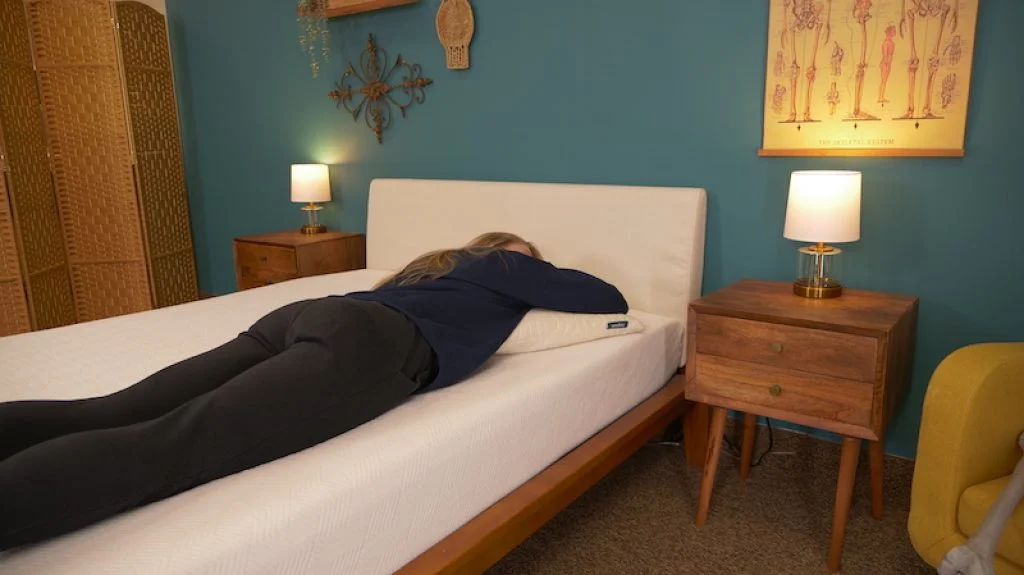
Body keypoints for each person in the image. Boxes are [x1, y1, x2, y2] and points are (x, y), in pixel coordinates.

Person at [0, 232, 627, 552]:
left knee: (116, 409)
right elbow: (607, 300)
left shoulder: (422, 271)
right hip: (371, 344)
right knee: (177, 443)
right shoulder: (504, 265)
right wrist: (532, 266)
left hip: (306, 315)